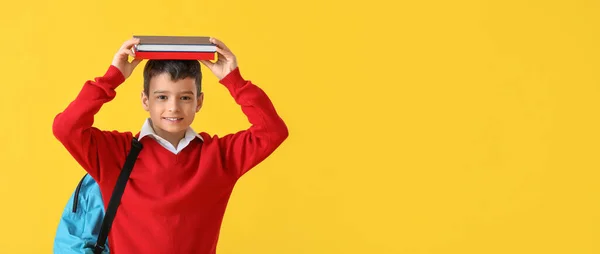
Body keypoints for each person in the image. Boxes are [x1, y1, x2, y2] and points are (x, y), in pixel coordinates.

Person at [52, 37, 289, 253]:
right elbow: (66, 128)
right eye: (162, 97)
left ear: (199, 102)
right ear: (146, 100)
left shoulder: (219, 156)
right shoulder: (114, 153)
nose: (173, 107)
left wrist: (234, 80)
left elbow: (273, 131)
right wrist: (112, 78)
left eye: (185, 97)